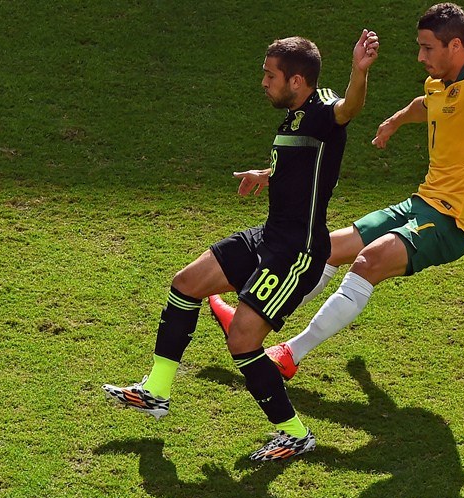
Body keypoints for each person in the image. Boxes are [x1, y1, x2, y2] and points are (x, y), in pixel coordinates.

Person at [210, 3, 464, 380]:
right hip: (420, 203)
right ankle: (249, 320)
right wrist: (396, 121)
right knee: (326, 248)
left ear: (455, 45)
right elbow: (427, 104)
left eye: (427, 48)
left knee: (369, 261)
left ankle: (290, 353)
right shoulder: (439, 83)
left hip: (452, 220)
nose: (420, 57)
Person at [103, 30, 380, 461]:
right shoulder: (297, 115)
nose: (263, 82)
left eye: (270, 75)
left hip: (297, 251)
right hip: (268, 235)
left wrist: (358, 72)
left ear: (296, 81)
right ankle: (156, 391)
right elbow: (305, 165)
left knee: (242, 340)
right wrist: (267, 173)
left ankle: (294, 433)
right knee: (187, 283)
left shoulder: (325, 111)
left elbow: (349, 108)